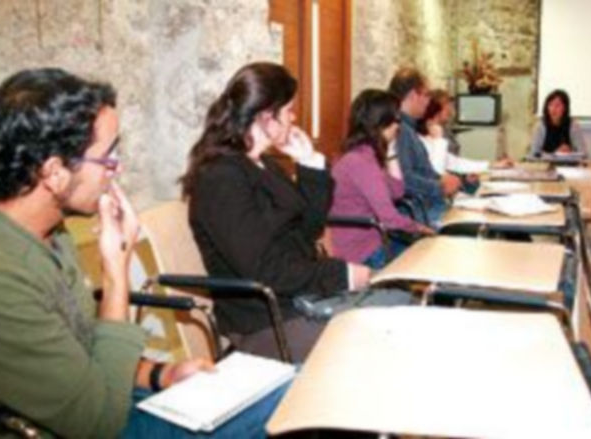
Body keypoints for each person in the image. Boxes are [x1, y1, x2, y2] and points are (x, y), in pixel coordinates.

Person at [0, 68, 283, 439]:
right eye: (107, 157)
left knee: (283, 393)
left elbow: (85, 348)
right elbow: (98, 424)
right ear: (54, 173)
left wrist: (159, 374)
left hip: (99, 407)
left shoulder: (45, 233)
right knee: (283, 405)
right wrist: (116, 271)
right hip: (86, 426)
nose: (116, 168)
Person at [181, 62, 372, 363]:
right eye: (289, 110)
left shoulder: (264, 165)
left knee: (389, 327)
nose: (294, 118)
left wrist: (309, 163)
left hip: (296, 301)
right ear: (267, 117)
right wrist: (342, 274)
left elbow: (308, 230)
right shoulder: (220, 177)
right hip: (263, 320)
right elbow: (265, 270)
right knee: (371, 349)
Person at [328, 89, 435, 269]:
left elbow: (397, 191)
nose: (398, 126)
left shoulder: (364, 154)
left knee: (431, 251)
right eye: (396, 120)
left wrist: (392, 153)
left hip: (373, 243)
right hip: (363, 253)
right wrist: (420, 228)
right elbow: (389, 218)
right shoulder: (360, 162)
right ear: (381, 123)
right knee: (430, 257)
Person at [388, 68, 461, 227]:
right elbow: (403, 180)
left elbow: (421, 170)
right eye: (426, 94)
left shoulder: (407, 129)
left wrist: (441, 179)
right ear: (414, 94)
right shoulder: (399, 130)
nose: (428, 101)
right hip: (418, 212)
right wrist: (440, 186)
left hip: (424, 206)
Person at [417, 89, 511, 193]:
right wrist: (438, 140)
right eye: (447, 106)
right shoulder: (422, 138)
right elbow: (436, 175)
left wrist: (490, 165)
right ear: (436, 110)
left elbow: (453, 162)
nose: (451, 110)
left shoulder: (442, 130)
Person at [529, 89, 587, 157]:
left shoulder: (573, 125)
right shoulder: (541, 126)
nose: (553, 109)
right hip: (546, 165)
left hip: (569, 165)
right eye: (550, 105)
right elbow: (534, 153)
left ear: (565, 108)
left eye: (557, 105)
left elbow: (583, 153)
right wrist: (555, 154)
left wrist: (570, 151)